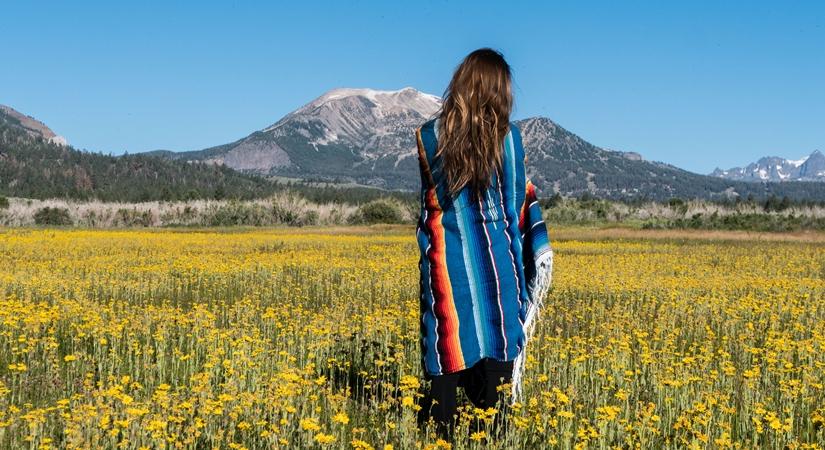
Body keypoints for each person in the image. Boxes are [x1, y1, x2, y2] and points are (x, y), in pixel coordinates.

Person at [414, 48, 554, 439]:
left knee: (447, 348)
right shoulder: (511, 141)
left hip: (446, 267)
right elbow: (514, 204)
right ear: (499, 89)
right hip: (499, 269)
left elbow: (431, 204)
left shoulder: (428, 137)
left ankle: (440, 435)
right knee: (497, 382)